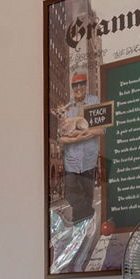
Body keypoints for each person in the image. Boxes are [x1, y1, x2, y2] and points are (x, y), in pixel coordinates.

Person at [54, 71, 107, 225]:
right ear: (72, 87)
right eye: (75, 85)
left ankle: (81, 225)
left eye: (81, 84)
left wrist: (80, 135)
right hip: (71, 161)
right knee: (71, 195)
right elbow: (61, 137)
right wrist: (74, 137)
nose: (78, 88)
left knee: (87, 195)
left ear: (86, 85)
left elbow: (102, 129)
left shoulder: (94, 102)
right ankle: (87, 216)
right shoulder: (67, 107)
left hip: (89, 160)